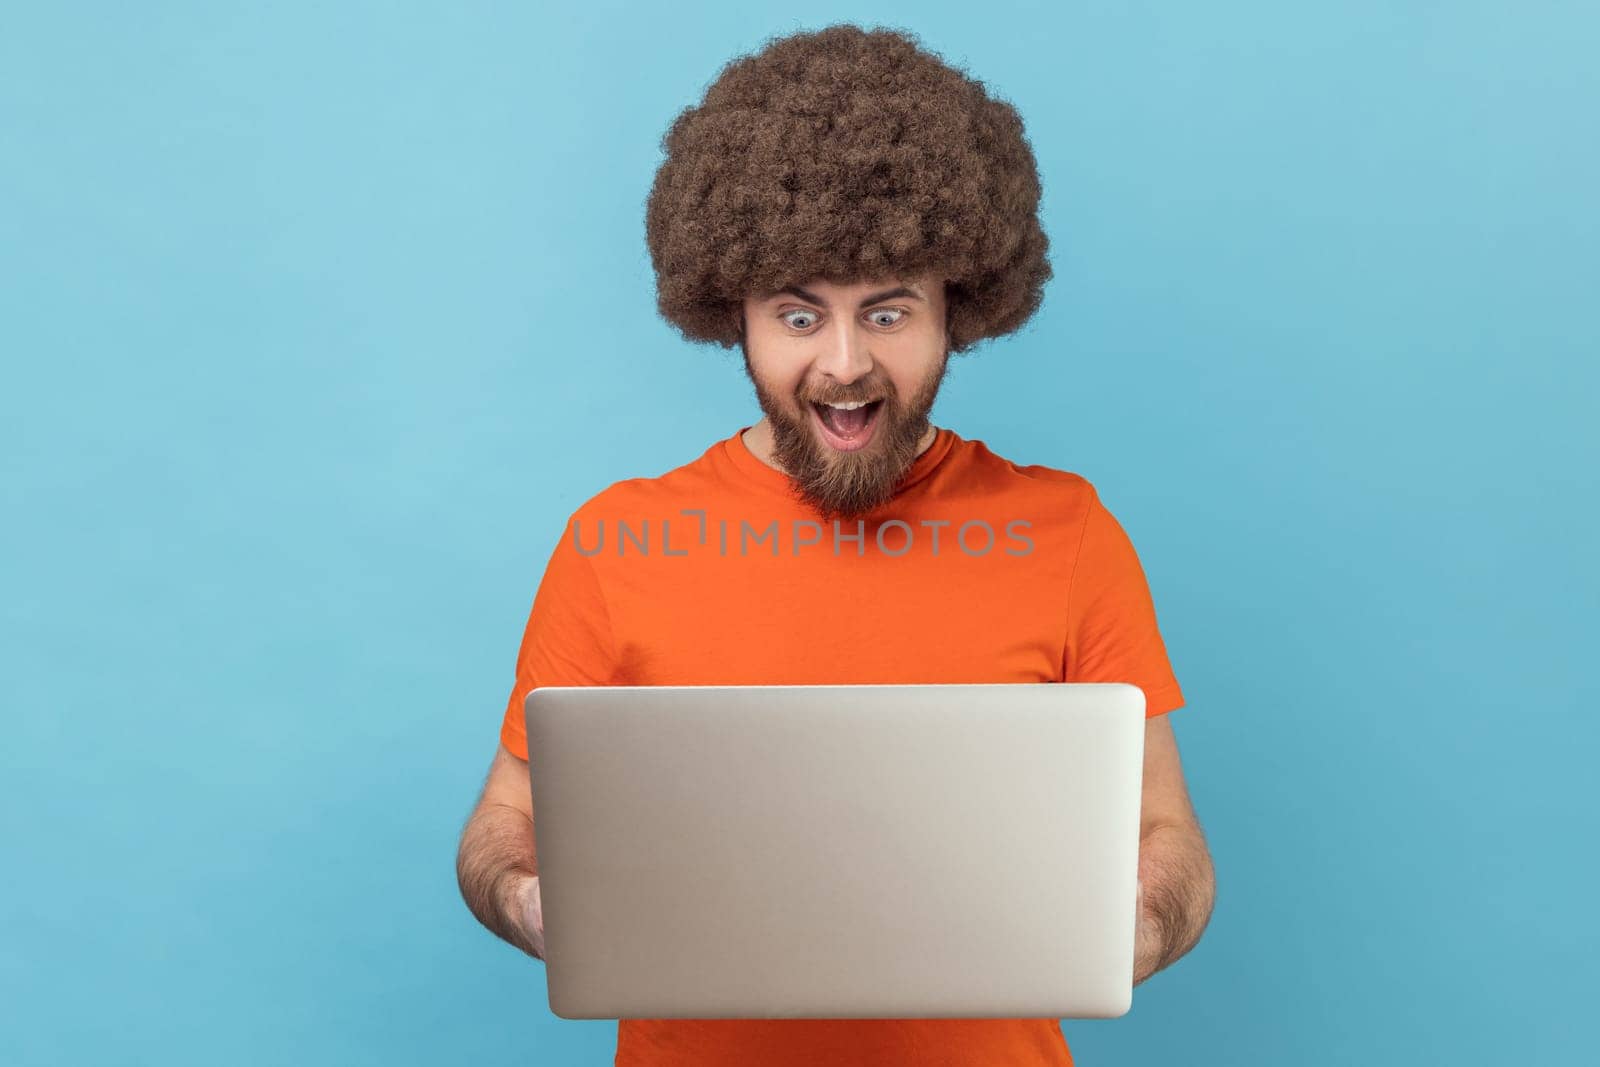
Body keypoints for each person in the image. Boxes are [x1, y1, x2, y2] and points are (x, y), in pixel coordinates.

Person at [456, 22, 1215, 1066]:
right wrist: (538, 904)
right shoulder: (613, 541)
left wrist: (1125, 933)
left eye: (889, 311)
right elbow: (501, 822)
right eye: (799, 315)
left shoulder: (1067, 533)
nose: (846, 364)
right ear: (736, 317)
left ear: (960, 310)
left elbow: (1169, 839)